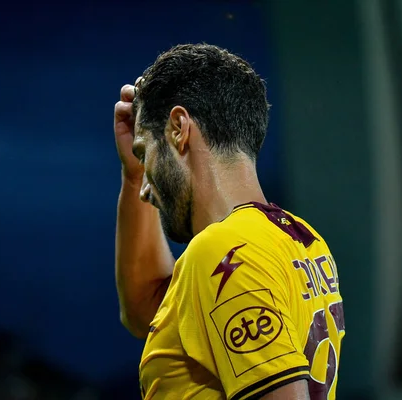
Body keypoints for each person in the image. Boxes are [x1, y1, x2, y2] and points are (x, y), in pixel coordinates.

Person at [113, 43, 345, 400]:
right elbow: (146, 311)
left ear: (178, 128)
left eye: (145, 153)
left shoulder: (222, 252)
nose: (146, 188)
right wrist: (131, 175)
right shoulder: (303, 240)